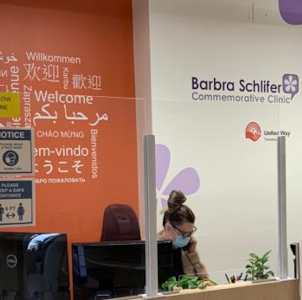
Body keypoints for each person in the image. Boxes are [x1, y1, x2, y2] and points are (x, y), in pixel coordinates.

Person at [157, 190, 210, 281]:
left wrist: (192, 254)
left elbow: (203, 281)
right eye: (185, 233)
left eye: (190, 233)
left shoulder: (185, 248)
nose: (188, 238)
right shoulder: (151, 250)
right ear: (168, 228)